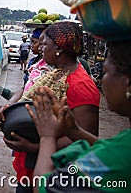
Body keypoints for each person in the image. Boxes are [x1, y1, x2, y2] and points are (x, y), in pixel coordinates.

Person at [0, 21, 100, 192]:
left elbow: (85, 138)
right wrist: (11, 108)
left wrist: (35, 147)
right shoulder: (55, 73)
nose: (40, 48)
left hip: (56, 175)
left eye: (45, 44)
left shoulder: (81, 84)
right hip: (34, 167)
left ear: (58, 48)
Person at [28, 39, 131, 192]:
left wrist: (47, 137)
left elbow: (42, 186)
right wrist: (74, 131)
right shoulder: (123, 143)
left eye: (106, 72)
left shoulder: (81, 84)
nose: (102, 80)